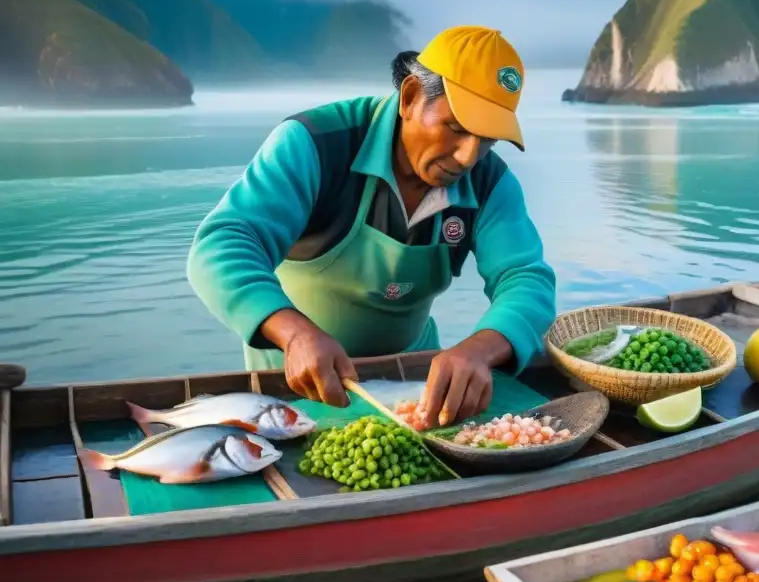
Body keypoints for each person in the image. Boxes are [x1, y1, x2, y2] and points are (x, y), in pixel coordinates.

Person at [187, 25, 556, 428]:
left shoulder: (489, 181)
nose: (469, 156)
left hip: (415, 388)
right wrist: (293, 334)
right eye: (456, 128)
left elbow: (526, 278)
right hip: (294, 392)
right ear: (412, 97)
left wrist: (480, 349)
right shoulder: (316, 145)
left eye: (487, 140)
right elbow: (222, 245)